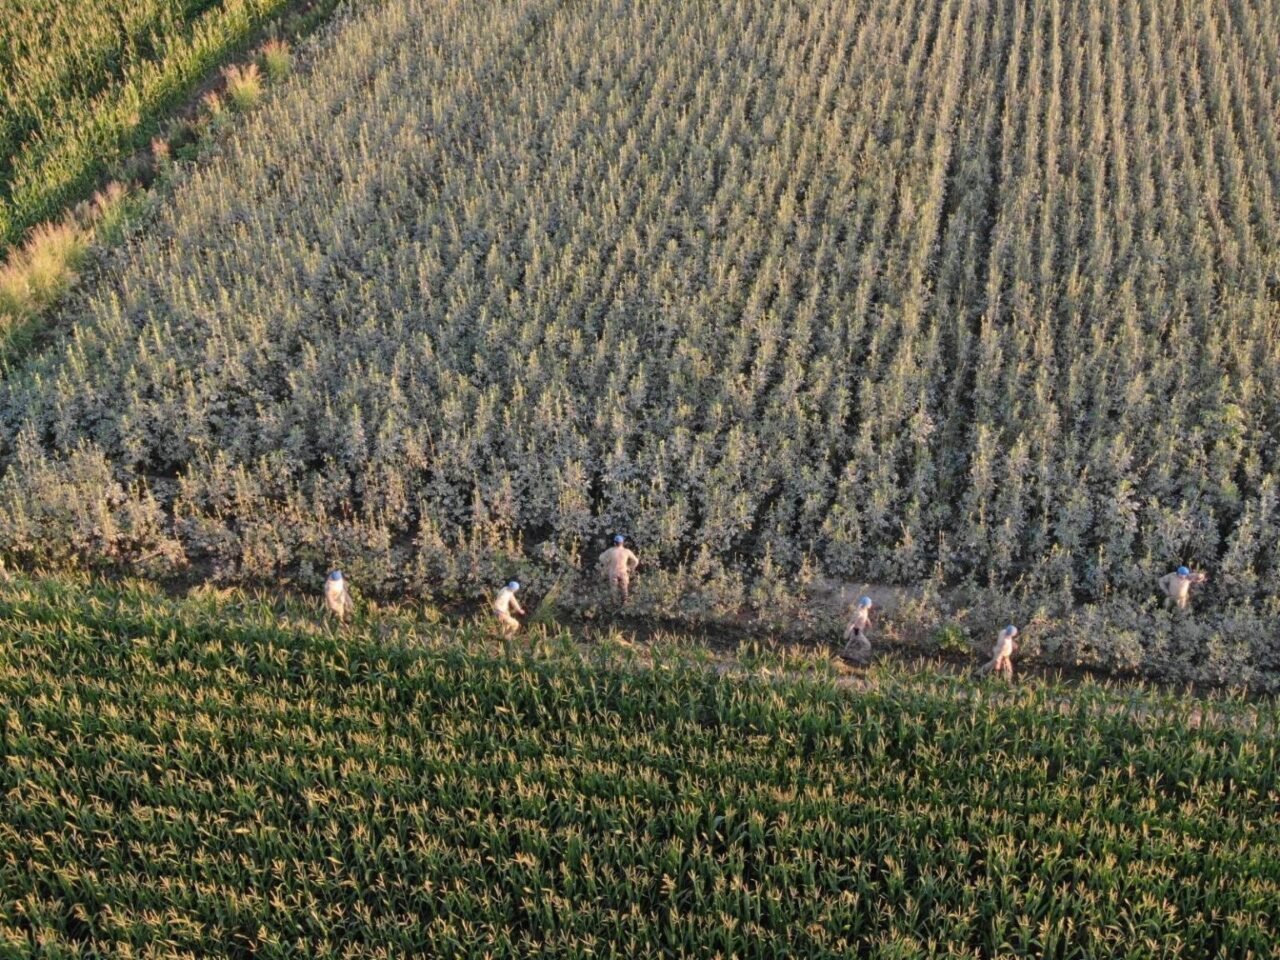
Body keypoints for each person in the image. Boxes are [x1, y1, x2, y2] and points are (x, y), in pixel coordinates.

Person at [598, 534, 640, 602]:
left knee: (614, 590)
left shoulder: (611, 551)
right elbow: (636, 561)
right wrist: (629, 567)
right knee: (624, 590)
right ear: (622, 543)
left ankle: (614, 605)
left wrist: (607, 564)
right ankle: (625, 605)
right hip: (623, 572)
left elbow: (600, 558)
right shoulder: (627, 551)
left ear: (614, 543)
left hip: (613, 572)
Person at [838, 596, 874, 663]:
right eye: (870, 603)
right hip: (857, 631)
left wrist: (868, 622)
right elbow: (852, 623)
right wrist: (847, 632)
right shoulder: (858, 613)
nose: (871, 604)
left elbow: (865, 616)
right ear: (866, 604)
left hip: (857, 631)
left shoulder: (865, 610)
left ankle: (845, 655)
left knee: (852, 643)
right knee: (867, 645)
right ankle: (858, 657)